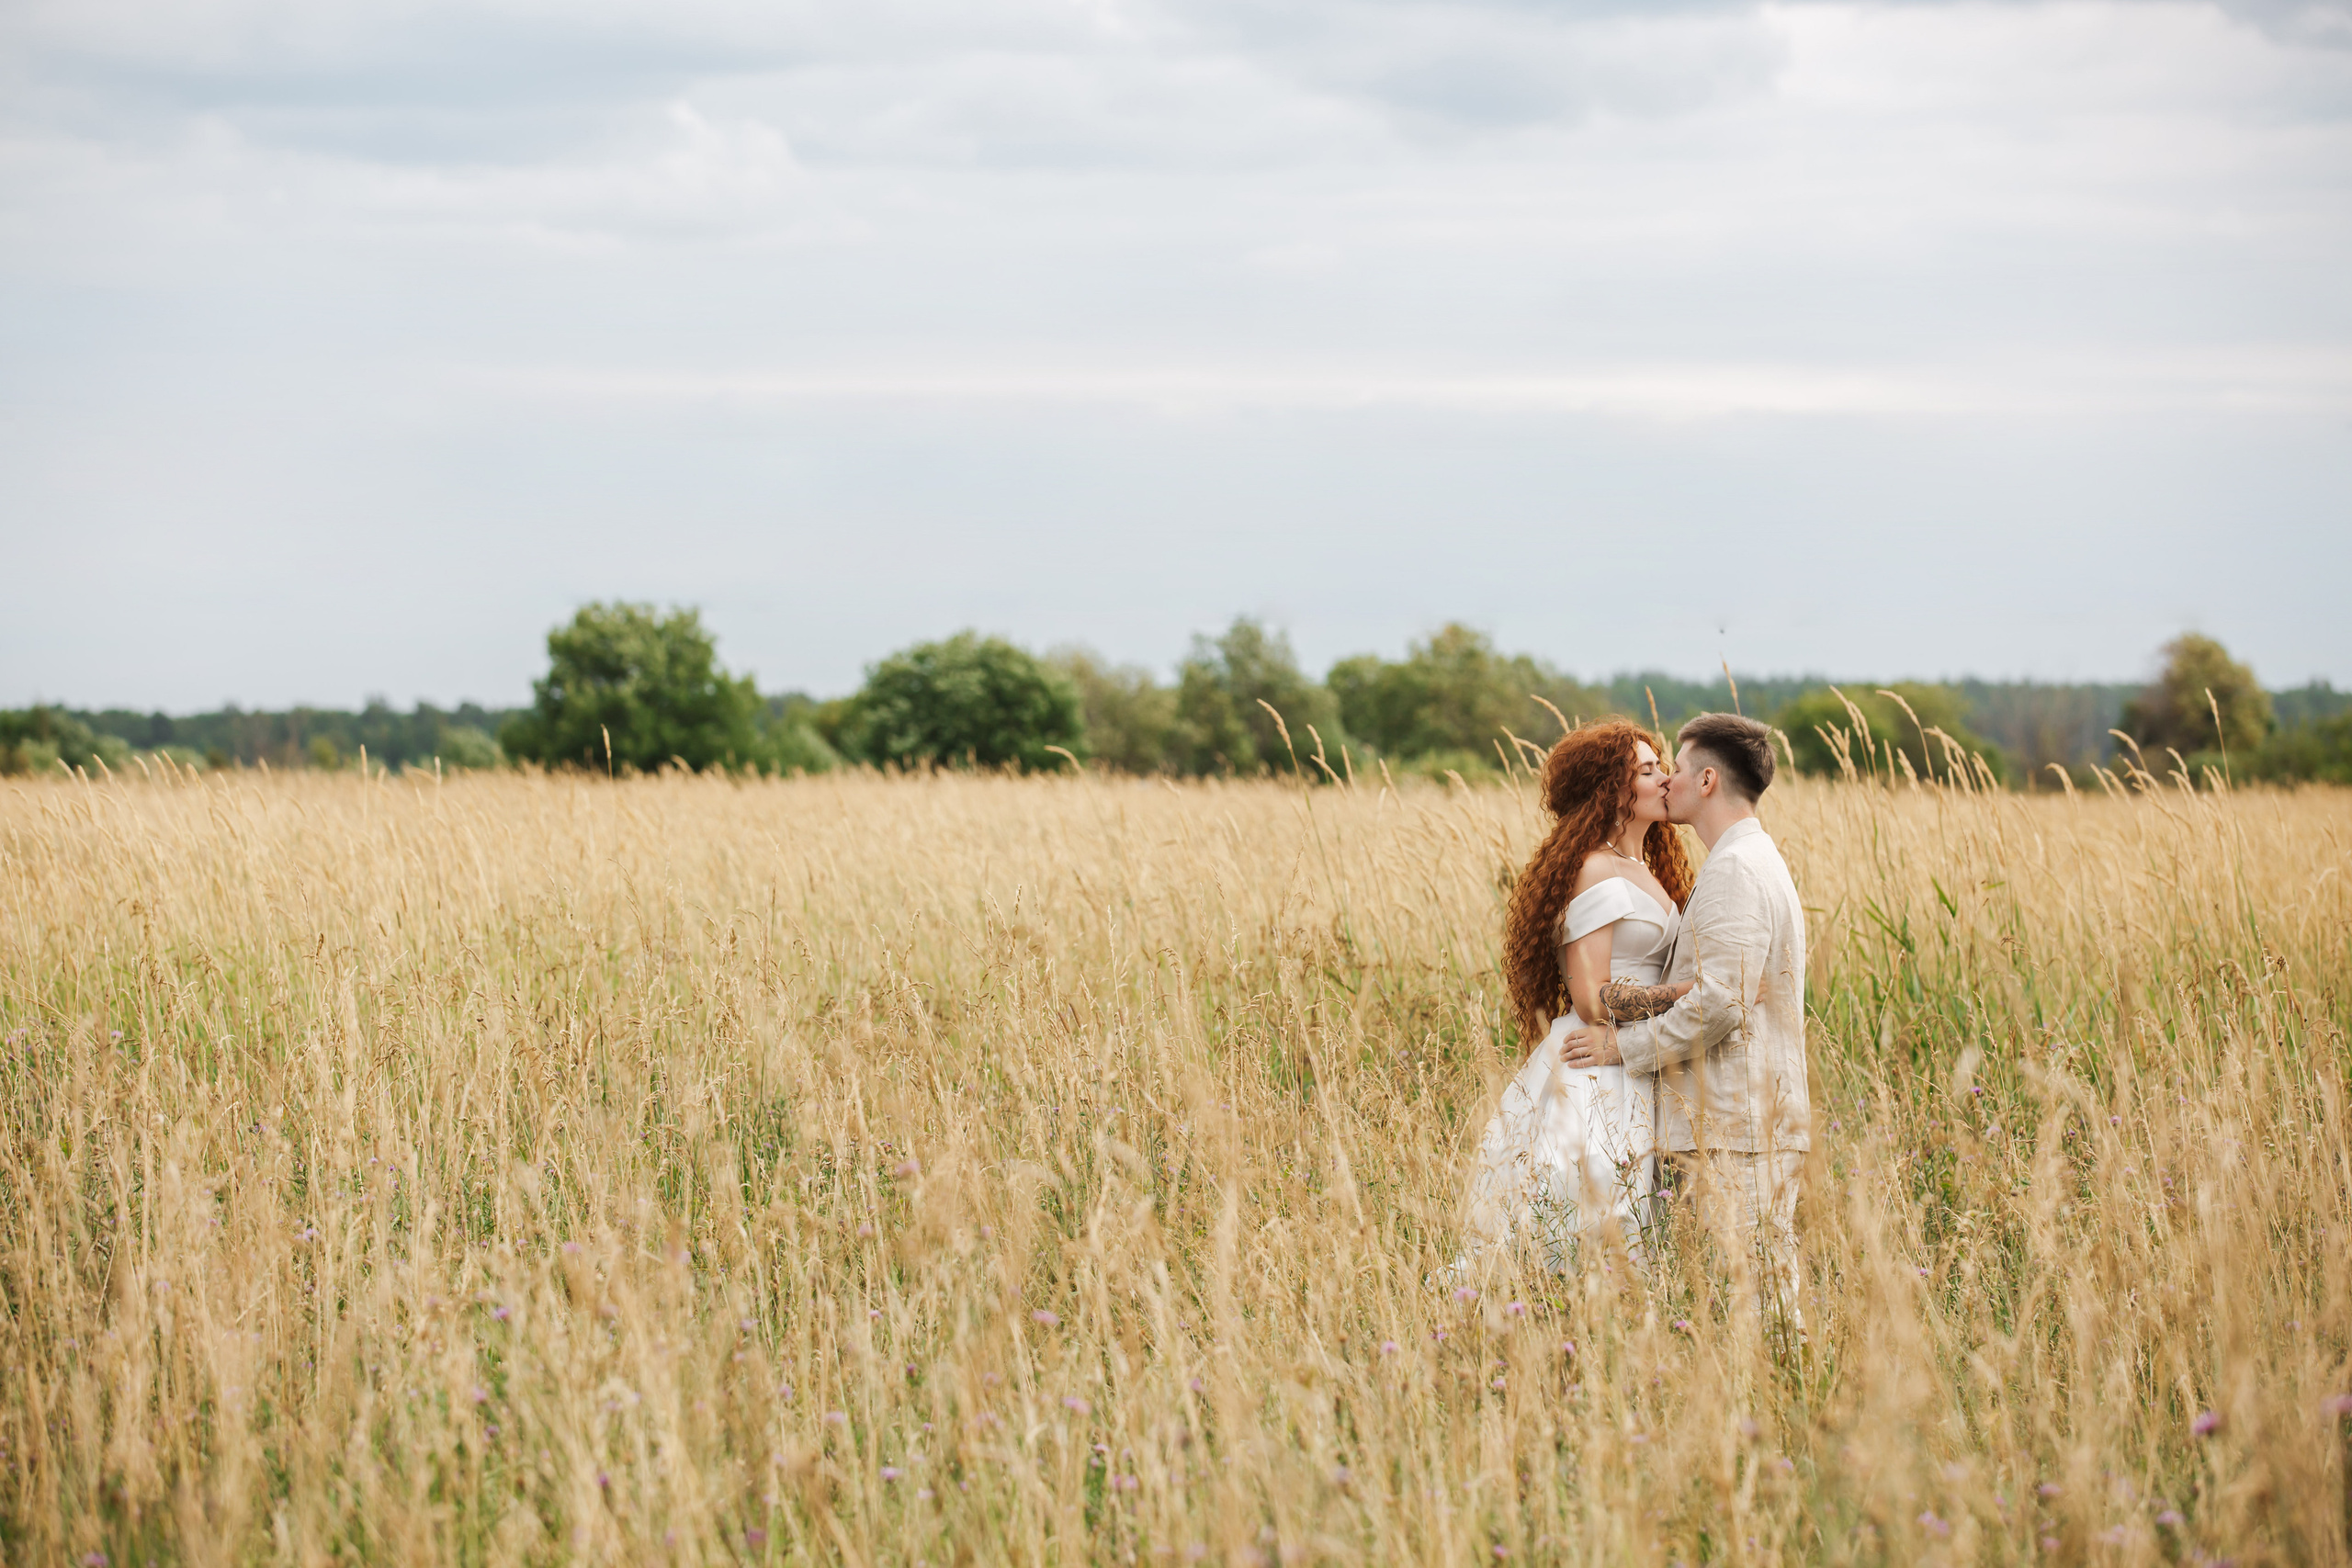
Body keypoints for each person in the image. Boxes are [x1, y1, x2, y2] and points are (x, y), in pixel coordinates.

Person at [1561, 712, 1811, 1332]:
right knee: (1744, 1299)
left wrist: (1625, 1047)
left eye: (1671, 766)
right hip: (1734, 1123)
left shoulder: (1735, 869)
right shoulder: (1745, 858)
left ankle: (1774, 1411)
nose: (1665, 779)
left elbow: (1720, 1001)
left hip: (1736, 1125)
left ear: (1705, 780)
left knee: (1753, 1302)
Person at [1448, 719, 1696, 1276]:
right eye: (1647, 770)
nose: (1663, 779)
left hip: (1637, 1056)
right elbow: (1593, 999)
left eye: (1661, 766)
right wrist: (1685, 994)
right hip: (1595, 1066)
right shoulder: (1595, 868)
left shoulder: (1645, 866)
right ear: (1613, 789)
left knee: (1634, 1215)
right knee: (1587, 1204)